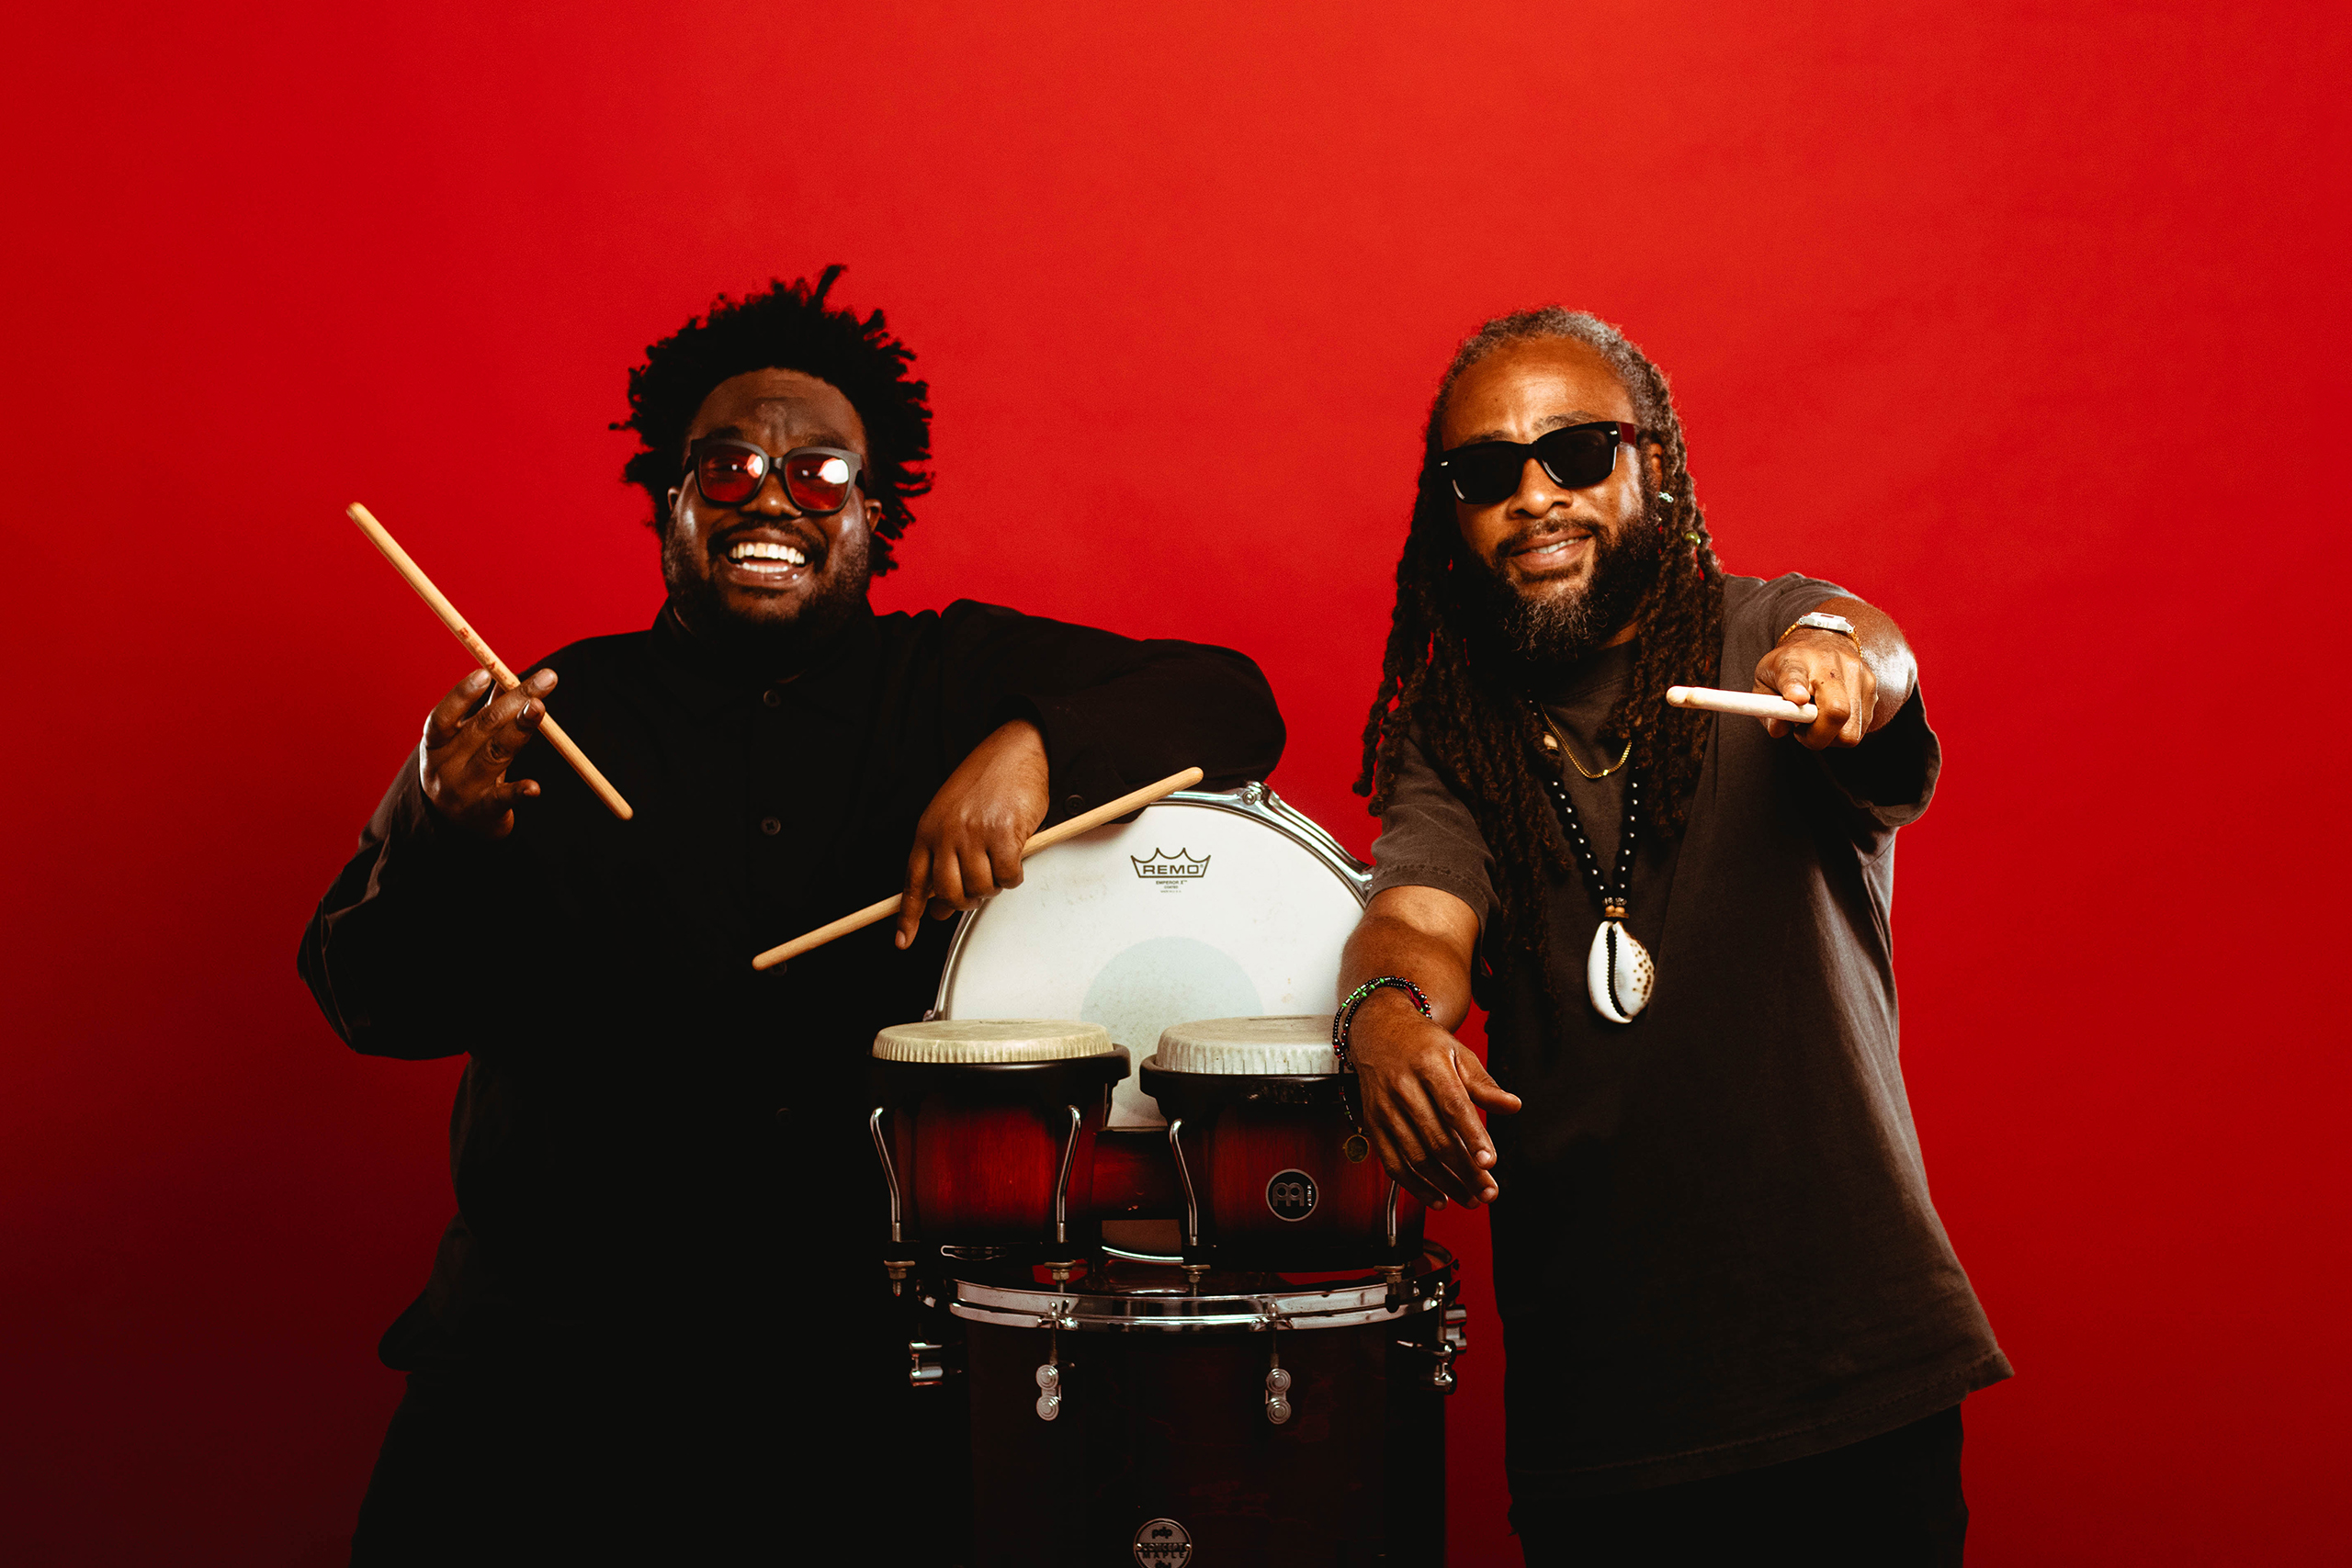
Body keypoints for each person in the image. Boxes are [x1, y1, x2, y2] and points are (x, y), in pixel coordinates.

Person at [299, 267, 1284, 1564]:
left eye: (820, 473)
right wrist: (438, 818)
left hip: (856, 1380)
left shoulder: (947, 678)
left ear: (876, 515)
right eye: (727, 467)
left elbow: (1232, 701)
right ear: (669, 501)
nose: (771, 494)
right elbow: (369, 997)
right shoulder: (541, 717)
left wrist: (1036, 745)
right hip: (548, 1374)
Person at [1335, 309, 2008, 1564]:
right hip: (1605, 1417)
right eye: (1487, 473)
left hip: (1853, 1377)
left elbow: (1869, 643)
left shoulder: (1771, 641)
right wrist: (1382, 1016)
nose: (1535, 498)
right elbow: (1418, 916)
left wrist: (1847, 669)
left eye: (1578, 454)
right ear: (1452, 516)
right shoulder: (1454, 729)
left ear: (1656, 465)